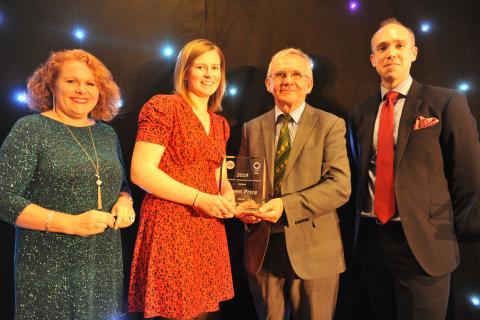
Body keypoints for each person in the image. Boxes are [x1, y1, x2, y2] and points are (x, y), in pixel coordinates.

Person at [351, 18, 480, 319]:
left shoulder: (446, 101)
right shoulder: (361, 112)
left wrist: (439, 222)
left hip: (424, 245)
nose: (391, 53)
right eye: (382, 48)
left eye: (399, 45)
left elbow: (469, 177)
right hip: (372, 241)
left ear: (414, 53)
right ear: (373, 59)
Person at [0, 49, 135, 319]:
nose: (81, 90)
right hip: (49, 266)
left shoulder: (106, 133)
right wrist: (71, 224)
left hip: (103, 261)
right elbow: (4, 198)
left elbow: (122, 185)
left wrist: (125, 201)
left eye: (90, 83)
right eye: (71, 81)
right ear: (51, 85)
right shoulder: (30, 129)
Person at [237, 48, 351, 320]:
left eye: (297, 74)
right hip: (262, 250)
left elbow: (339, 185)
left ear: (309, 84)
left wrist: (285, 206)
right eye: (280, 74)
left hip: (315, 251)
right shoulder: (250, 128)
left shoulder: (330, 124)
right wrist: (243, 207)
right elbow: (243, 184)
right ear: (269, 83)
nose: (288, 80)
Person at [128, 39, 236, 320]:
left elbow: (217, 174)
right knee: (175, 310)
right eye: (201, 66)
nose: (209, 74)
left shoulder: (220, 124)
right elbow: (141, 171)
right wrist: (200, 198)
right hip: (171, 224)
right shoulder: (164, 107)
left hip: (207, 227)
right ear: (185, 71)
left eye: (215, 67)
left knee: (202, 312)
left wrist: (229, 195)